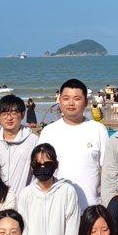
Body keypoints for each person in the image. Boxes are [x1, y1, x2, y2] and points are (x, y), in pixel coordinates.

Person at [37, 79, 108, 208]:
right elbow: (40, 170)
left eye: (77, 99)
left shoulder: (98, 129)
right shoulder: (48, 132)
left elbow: (105, 170)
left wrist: (105, 204)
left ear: (86, 102)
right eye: (66, 98)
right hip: (57, 206)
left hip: (91, 207)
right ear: (59, 101)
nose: (71, 103)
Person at [18, 143, 80, 235]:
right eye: (37, 164)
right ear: (31, 167)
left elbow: (72, 231)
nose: (42, 168)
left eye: (47, 164)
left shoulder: (68, 191)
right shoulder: (25, 194)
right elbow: (23, 231)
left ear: (56, 164)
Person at [0, 95, 39, 194]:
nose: (9, 117)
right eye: (4, 113)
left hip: (24, 201)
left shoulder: (34, 141)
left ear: (22, 115)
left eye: (13, 113)